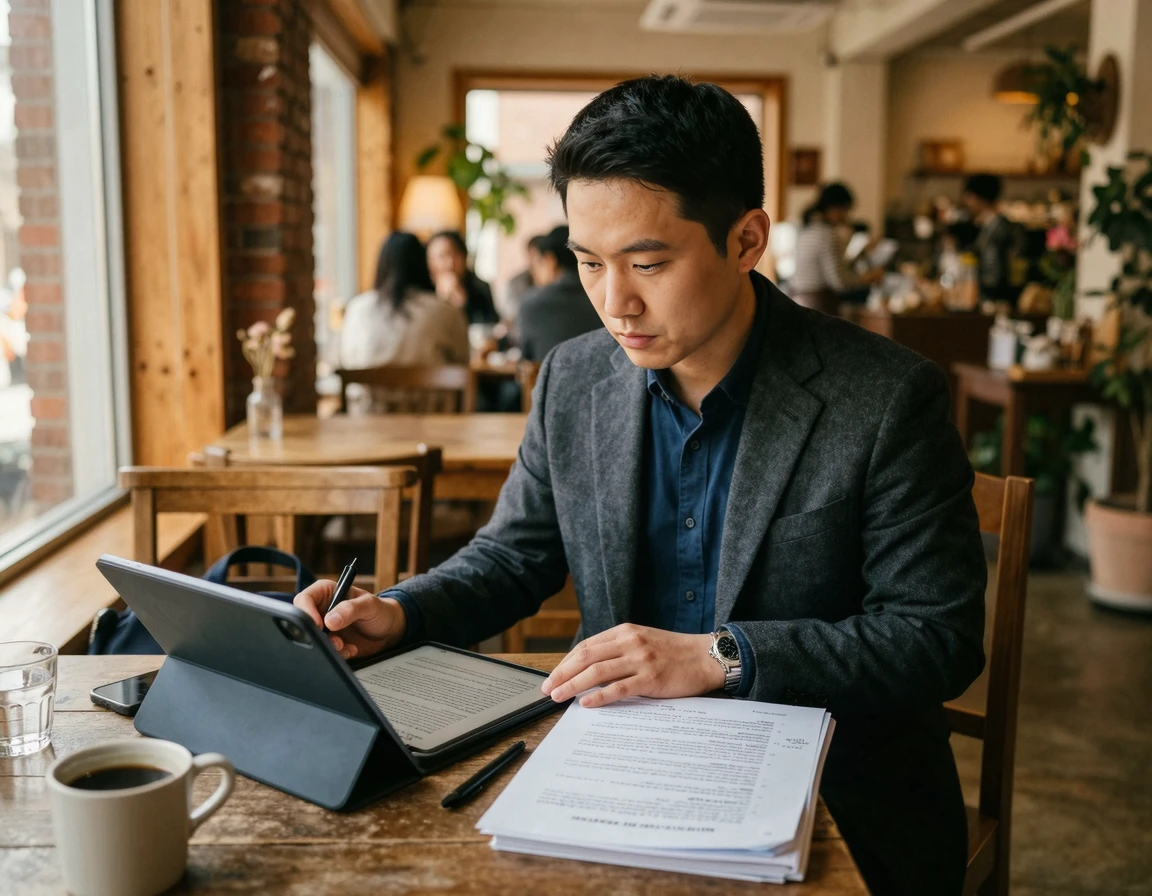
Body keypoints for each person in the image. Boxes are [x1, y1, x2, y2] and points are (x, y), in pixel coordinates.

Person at [298, 75, 985, 896]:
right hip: (616, 782)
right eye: (588, 262)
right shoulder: (573, 380)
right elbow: (514, 556)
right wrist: (400, 612)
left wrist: (722, 658)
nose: (615, 303)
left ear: (746, 239)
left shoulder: (883, 396)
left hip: (837, 797)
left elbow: (935, 637)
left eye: (648, 262)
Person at [340, 232, 469, 412]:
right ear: (423, 265)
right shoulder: (446, 311)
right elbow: (464, 362)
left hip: (368, 423)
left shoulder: (357, 309)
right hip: (433, 426)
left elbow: (345, 361)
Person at [789, 182, 882, 314]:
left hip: (799, 300)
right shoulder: (827, 235)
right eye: (845, 210)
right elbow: (839, 282)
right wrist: (868, 278)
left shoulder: (806, 229)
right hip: (820, 305)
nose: (846, 216)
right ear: (835, 208)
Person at [517, 225, 603, 361]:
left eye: (539, 263)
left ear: (550, 260)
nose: (534, 272)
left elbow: (526, 358)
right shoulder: (602, 297)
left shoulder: (532, 303)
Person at [960, 173, 1021, 303]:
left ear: (976, 197)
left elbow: (994, 270)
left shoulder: (1001, 229)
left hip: (997, 298)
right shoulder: (987, 226)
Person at [426, 230, 500, 324]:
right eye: (442, 256)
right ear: (429, 261)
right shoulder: (422, 288)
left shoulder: (479, 287)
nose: (450, 263)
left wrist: (463, 303)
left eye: (455, 255)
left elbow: (490, 325)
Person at [498, 234, 548, 324]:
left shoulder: (554, 281)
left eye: (538, 258)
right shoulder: (516, 283)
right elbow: (509, 316)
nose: (532, 262)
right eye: (531, 256)